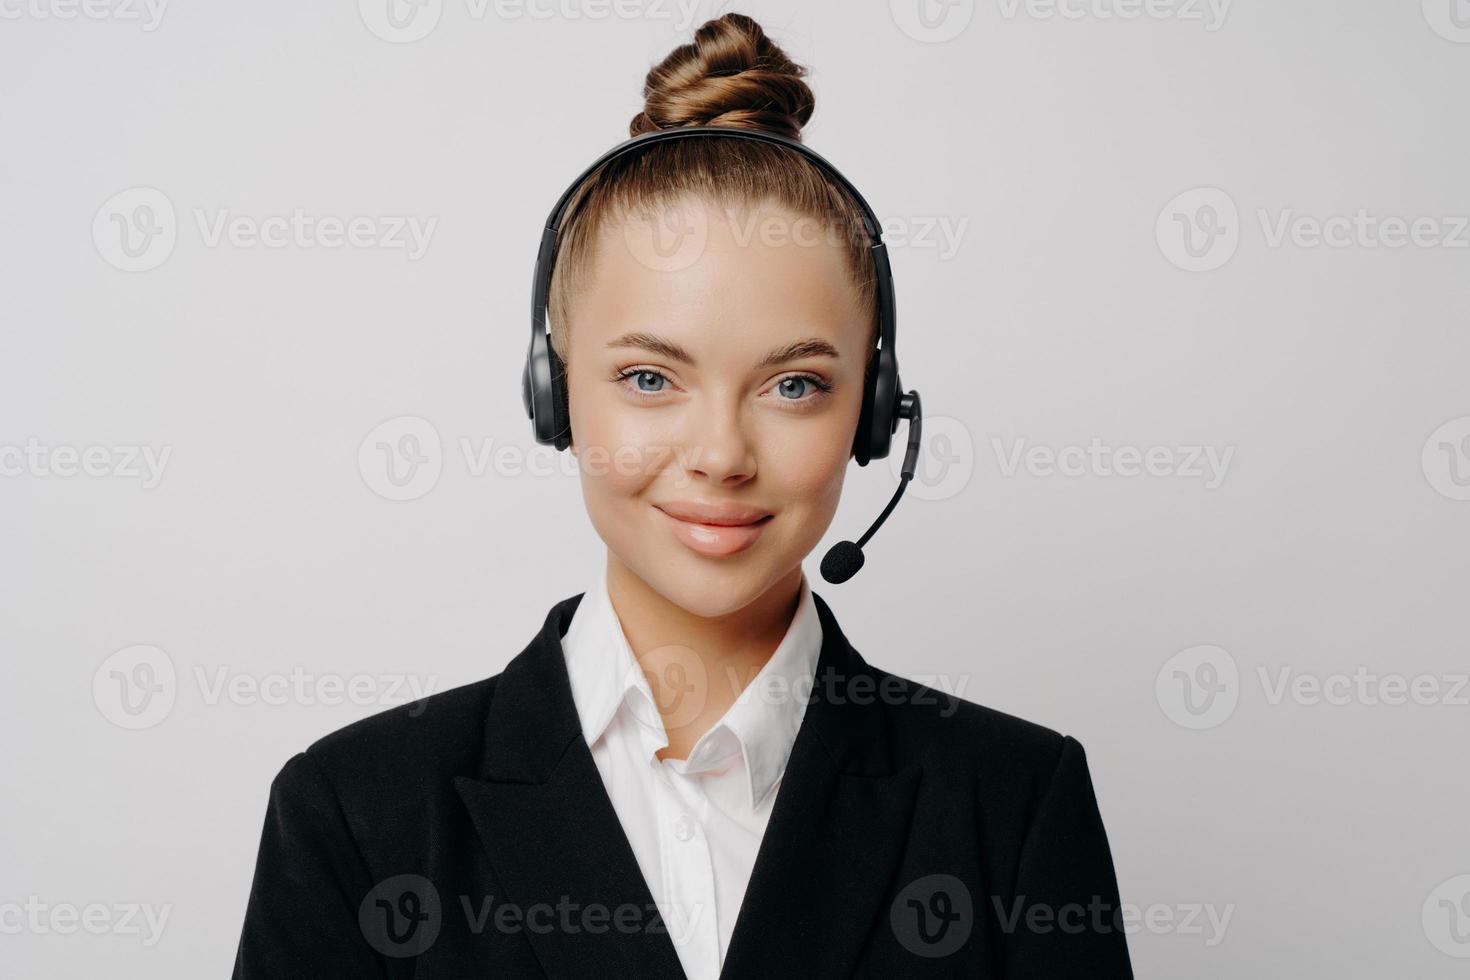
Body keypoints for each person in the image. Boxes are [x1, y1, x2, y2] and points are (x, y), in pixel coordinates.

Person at [232, 12, 1133, 978]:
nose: (720, 455)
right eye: (651, 379)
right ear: (555, 394)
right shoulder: (355, 811)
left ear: (873, 415)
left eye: (795, 385)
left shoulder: (1014, 802)